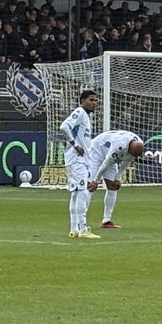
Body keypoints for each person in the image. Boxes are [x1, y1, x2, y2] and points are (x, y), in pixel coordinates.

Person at [84, 130, 146, 230]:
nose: (133, 157)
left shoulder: (138, 144)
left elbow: (126, 161)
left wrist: (117, 178)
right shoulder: (119, 146)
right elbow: (106, 163)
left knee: (112, 186)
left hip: (109, 154)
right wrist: (96, 181)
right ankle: (81, 221)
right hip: (97, 150)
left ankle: (106, 221)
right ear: (130, 148)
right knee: (90, 186)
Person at [61, 89, 100, 239]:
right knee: (83, 191)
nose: (94, 103)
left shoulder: (85, 116)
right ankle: (83, 228)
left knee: (76, 192)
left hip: (77, 159)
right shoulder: (80, 112)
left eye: (95, 100)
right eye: (91, 100)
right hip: (77, 159)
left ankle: (74, 229)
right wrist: (75, 145)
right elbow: (64, 126)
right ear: (82, 101)